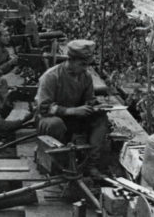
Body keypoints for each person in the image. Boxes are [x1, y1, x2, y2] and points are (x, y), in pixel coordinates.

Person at [35, 39, 108, 177]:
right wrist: (71, 111)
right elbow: (43, 108)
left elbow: (89, 99)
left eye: (87, 65)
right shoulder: (51, 76)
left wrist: (95, 106)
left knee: (100, 119)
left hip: (74, 118)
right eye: (82, 64)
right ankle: (56, 165)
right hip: (49, 118)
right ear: (71, 60)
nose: (85, 68)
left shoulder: (85, 76)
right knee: (55, 124)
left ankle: (90, 164)